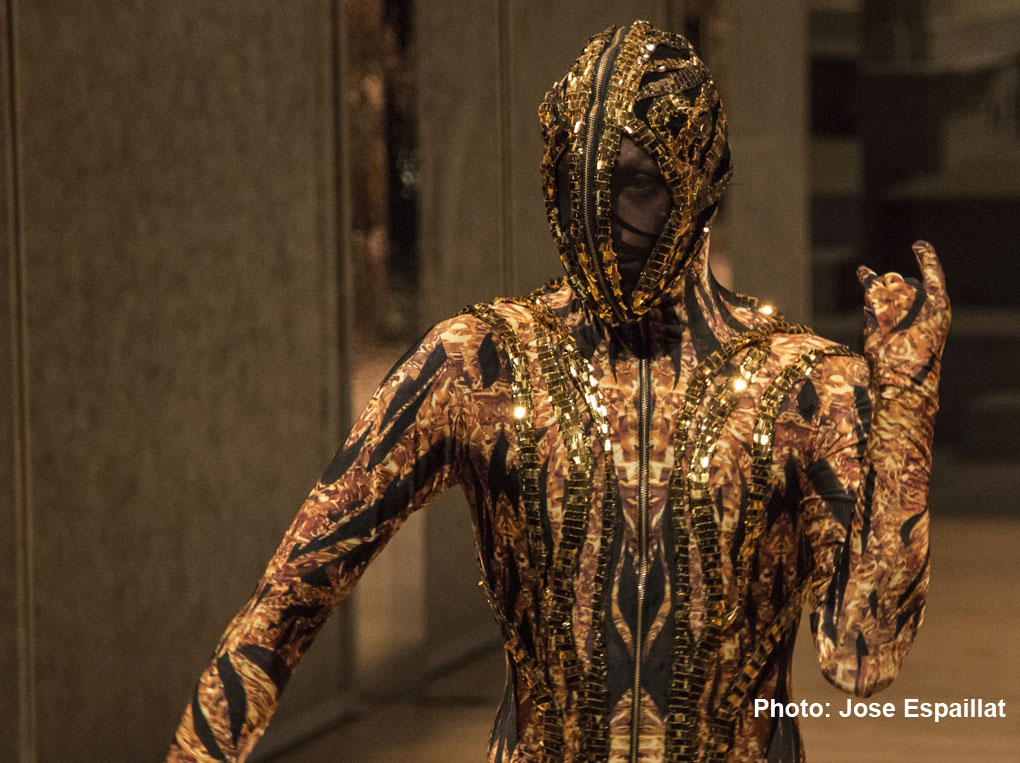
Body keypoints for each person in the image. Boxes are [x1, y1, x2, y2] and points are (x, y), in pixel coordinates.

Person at [168, 20, 949, 762]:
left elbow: (862, 657)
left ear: (700, 181)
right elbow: (288, 599)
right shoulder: (482, 361)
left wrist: (906, 416)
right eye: (582, 184)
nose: (604, 221)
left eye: (638, 184)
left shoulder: (806, 387)